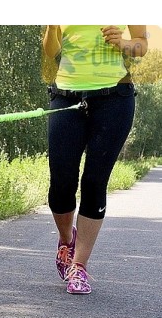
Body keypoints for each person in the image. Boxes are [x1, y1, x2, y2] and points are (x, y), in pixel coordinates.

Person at [43, 25, 148, 294]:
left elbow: (141, 46)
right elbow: (50, 52)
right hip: (66, 97)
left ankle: (79, 264)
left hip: (114, 98)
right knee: (61, 181)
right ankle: (67, 240)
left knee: (94, 181)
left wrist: (123, 43)